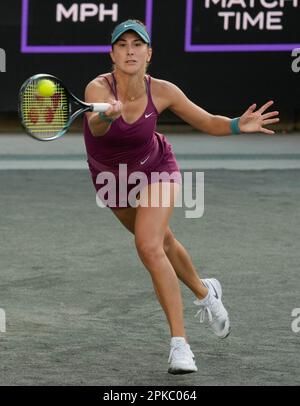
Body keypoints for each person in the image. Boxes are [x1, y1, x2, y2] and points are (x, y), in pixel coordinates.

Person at [83, 19, 280, 374]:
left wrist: (238, 124)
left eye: (137, 44)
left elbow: (208, 122)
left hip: (157, 167)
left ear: (149, 54)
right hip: (112, 179)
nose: (130, 50)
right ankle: (206, 293)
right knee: (164, 242)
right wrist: (107, 118)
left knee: (148, 246)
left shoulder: (162, 91)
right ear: (112, 53)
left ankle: (180, 345)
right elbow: (95, 127)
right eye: (123, 45)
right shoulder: (98, 90)